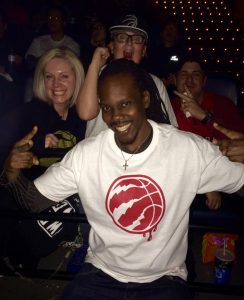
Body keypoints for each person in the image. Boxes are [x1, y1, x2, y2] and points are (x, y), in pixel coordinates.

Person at [1, 59, 244, 300]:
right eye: (107, 107)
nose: (116, 117)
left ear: (145, 99)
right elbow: (33, 201)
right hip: (100, 273)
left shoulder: (187, 150)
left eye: (125, 104)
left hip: (163, 279)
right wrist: (11, 172)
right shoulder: (86, 155)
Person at [0, 47, 86, 270]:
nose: (56, 84)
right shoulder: (26, 114)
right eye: (49, 76)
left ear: (77, 79)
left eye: (64, 76)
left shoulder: (83, 116)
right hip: (25, 197)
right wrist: (10, 163)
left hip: (63, 195)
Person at [76, 14, 178, 138]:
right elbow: (86, 113)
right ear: (112, 46)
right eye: (122, 38)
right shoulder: (96, 74)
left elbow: (171, 130)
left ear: (144, 50)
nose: (129, 43)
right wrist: (95, 65)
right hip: (99, 155)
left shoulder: (155, 83)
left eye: (137, 39)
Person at [171, 56, 244, 210]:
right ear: (175, 79)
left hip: (226, 171)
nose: (189, 80)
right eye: (184, 74)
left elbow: (238, 144)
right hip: (185, 176)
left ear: (204, 80)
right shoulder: (168, 107)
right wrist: (207, 184)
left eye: (196, 74)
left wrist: (204, 116)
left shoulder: (223, 104)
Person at [24, 5, 80, 102]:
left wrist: (41, 60)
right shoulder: (38, 40)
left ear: (64, 22)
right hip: (39, 80)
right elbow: (29, 62)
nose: (52, 21)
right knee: (30, 80)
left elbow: (72, 67)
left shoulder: (71, 44)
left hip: (62, 84)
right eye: (50, 18)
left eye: (56, 18)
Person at [144, 15, 186, 97]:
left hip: (173, 93)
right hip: (151, 90)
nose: (170, 30)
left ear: (177, 35)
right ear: (162, 32)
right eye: (168, 27)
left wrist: (175, 79)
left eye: (173, 28)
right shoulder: (150, 51)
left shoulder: (181, 55)